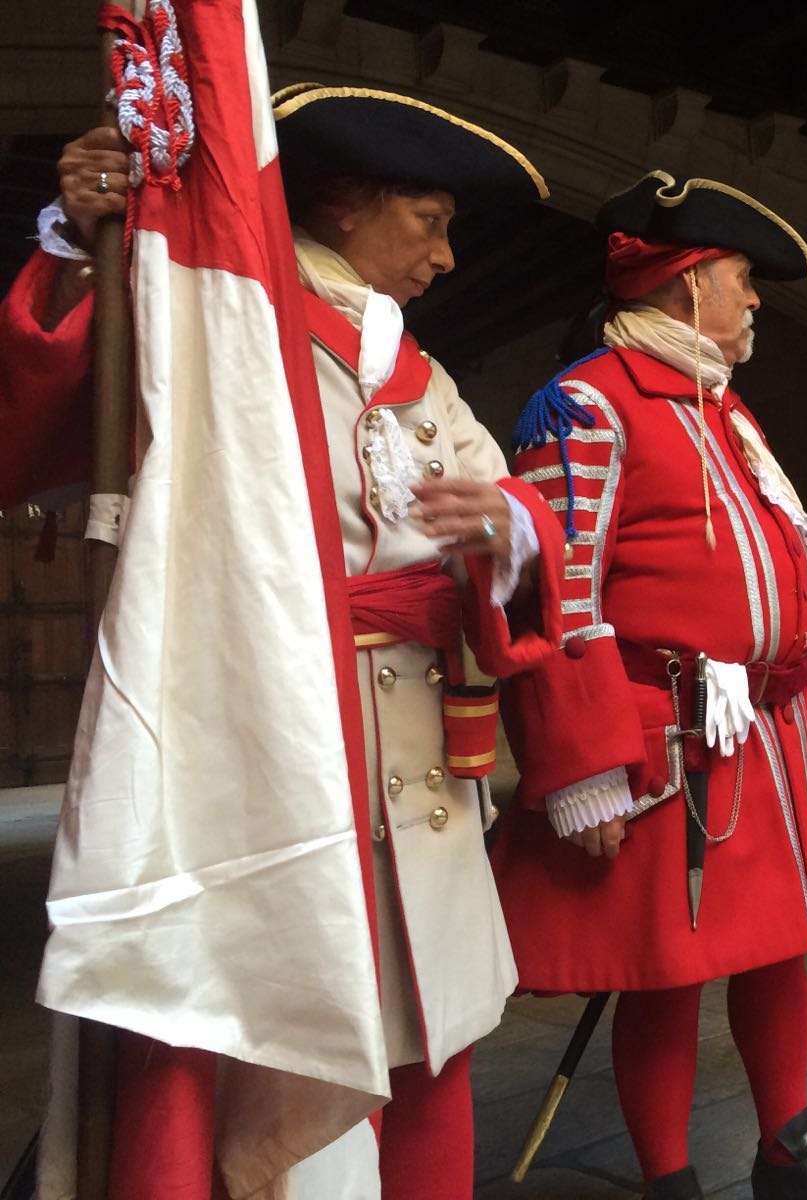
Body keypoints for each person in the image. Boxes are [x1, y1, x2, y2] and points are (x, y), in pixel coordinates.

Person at [7, 86, 568, 1198]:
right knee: (284, 1040)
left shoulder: (415, 365)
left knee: (429, 1038)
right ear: (347, 207)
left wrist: (509, 526)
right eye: (429, 220)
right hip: (279, 746)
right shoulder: (219, 321)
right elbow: (47, 415)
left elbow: (511, 497)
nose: (449, 256)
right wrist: (79, 241)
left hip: (422, 768)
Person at [490, 171, 807, 1200]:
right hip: (660, 741)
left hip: (769, 736)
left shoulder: (727, 412)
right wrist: (579, 766)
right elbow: (555, 596)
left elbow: (799, 572)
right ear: (686, 287)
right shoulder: (585, 404)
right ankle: (669, 1180)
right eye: (740, 279)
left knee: (777, 951)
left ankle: (789, 1153)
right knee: (666, 979)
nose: (755, 300)